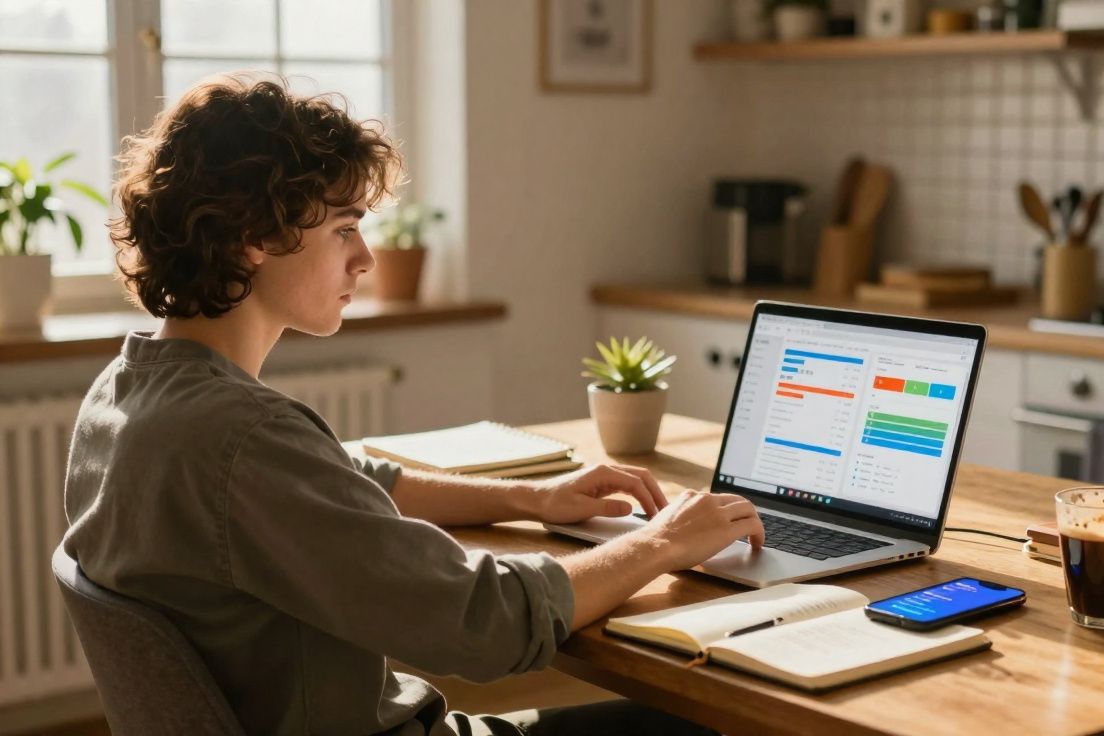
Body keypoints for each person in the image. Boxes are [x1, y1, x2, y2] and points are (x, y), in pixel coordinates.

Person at [61, 74, 765, 736]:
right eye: (344, 228)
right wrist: (666, 541)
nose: (365, 258)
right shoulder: (244, 438)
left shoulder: (124, 397)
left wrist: (536, 499)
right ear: (255, 239)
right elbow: (488, 621)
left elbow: (347, 484)